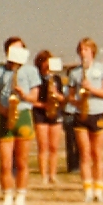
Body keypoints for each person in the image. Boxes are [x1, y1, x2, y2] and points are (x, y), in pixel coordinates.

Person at [0, 37, 40, 205]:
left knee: (22, 161)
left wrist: (24, 95)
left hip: (23, 114)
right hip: (5, 115)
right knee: (5, 162)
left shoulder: (30, 70)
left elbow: (34, 96)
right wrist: (1, 109)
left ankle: (21, 197)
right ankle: (7, 198)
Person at [67, 38, 103, 202]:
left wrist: (91, 88)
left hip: (97, 112)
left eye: (86, 49)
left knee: (97, 153)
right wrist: (78, 100)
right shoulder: (74, 73)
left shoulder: (102, 69)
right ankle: (87, 189)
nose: (83, 52)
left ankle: (99, 189)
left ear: (92, 51)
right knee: (84, 153)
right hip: (81, 114)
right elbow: (70, 96)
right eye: (80, 49)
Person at [32, 50, 64, 185]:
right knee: (43, 146)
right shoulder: (36, 78)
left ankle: (53, 174)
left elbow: (63, 98)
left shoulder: (56, 79)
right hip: (40, 113)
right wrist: (43, 105)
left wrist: (56, 94)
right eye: (45, 61)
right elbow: (32, 99)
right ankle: (43, 175)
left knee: (54, 146)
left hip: (55, 112)